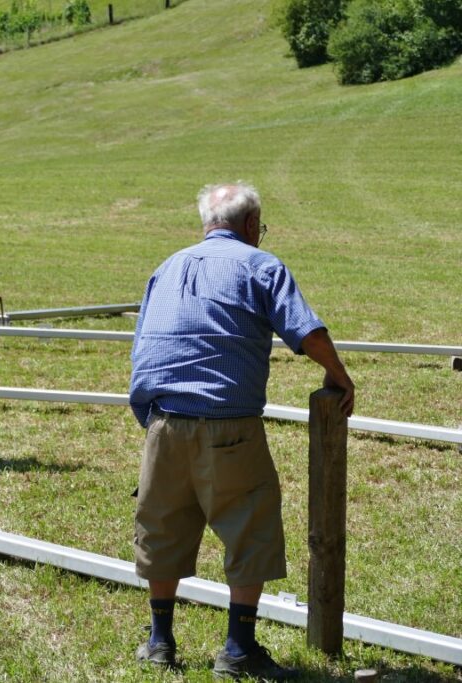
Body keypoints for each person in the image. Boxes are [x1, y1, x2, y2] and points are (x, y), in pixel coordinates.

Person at [128, 183, 355, 679]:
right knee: (249, 529)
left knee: (162, 526)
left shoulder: (165, 268)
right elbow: (307, 331)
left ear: (206, 224)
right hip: (229, 423)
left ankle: (160, 640)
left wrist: (150, 418)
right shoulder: (261, 266)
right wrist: (340, 375)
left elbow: (142, 344)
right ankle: (238, 647)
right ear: (251, 226)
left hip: (163, 421)